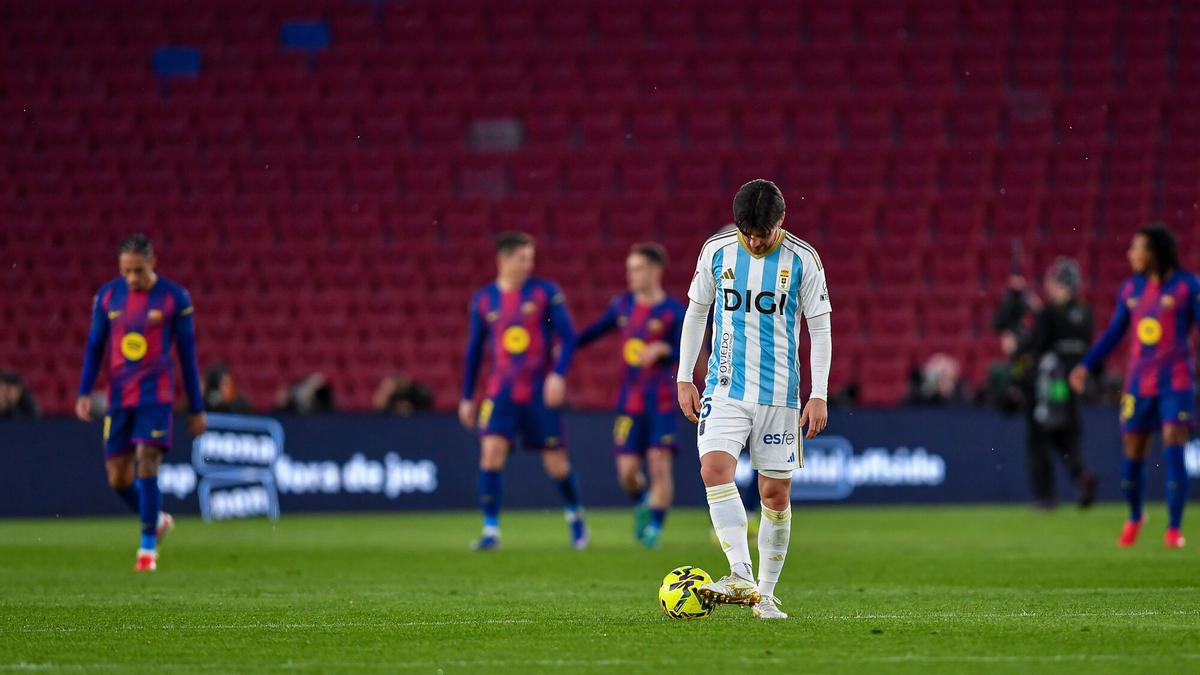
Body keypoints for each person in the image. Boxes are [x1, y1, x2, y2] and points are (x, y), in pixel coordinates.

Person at [676, 179, 832, 620]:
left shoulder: (803, 260)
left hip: (781, 395)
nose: (754, 241)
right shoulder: (717, 251)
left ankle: (764, 594)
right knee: (714, 468)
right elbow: (696, 311)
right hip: (724, 387)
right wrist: (685, 376)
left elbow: (819, 328)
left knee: (775, 495)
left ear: (780, 222)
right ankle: (740, 572)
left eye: (762, 234)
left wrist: (818, 393)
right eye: (747, 233)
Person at [76, 234, 206, 572]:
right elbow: (94, 346)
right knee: (118, 478)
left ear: (153, 262)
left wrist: (196, 406)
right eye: (126, 271)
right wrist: (84, 391)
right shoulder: (107, 296)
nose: (132, 278)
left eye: (137, 270)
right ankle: (157, 520)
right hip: (119, 397)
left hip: (156, 395)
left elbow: (188, 355)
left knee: (147, 461)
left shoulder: (174, 298)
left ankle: (147, 548)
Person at [1070, 226, 1198, 549]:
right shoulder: (1131, 289)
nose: (1130, 254)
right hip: (1139, 383)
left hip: (1176, 380)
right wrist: (1086, 364)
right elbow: (1114, 333)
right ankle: (1135, 515)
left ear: (1153, 252)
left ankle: (1173, 528)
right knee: (1133, 453)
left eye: (1136, 248)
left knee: (1173, 444)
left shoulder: (1187, 286)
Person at [459, 232, 586, 551]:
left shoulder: (545, 292)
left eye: (531, 258)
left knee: (556, 464)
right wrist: (465, 396)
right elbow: (474, 351)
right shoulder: (484, 299)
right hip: (500, 392)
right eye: (523, 258)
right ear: (504, 259)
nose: (529, 264)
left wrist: (558, 375)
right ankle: (491, 531)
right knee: (490, 455)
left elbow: (569, 338)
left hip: (539, 392)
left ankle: (575, 518)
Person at [576, 243, 685, 548]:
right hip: (630, 401)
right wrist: (566, 347)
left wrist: (664, 349)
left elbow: (687, 351)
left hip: (661, 399)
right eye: (629, 269)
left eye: (637, 268)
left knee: (659, 462)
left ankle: (655, 530)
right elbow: (592, 332)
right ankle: (642, 500)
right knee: (627, 473)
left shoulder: (674, 312)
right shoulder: (621, 305)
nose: (631, 275)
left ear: (655, 270)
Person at [1012, 258, 1097, 509]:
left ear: (1059, 283)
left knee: (1038, 439)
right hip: (1072, 385)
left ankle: (1045, 496)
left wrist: (1017, 349)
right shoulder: (1085, 313)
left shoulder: (1048, 313)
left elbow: (1036, 345)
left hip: (1048, 386)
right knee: (1067, 437)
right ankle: (1081, 475)